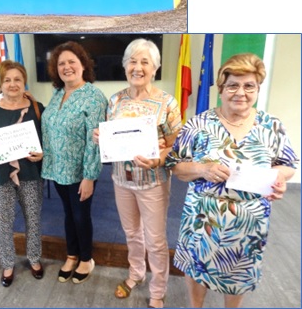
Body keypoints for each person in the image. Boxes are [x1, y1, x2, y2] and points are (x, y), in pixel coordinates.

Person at [166, 53, 298, 308]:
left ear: (258, 88)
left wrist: (279, 179)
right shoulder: (199, 124)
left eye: (249, 85)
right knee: (197, 268)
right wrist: (202, 169)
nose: (241, 92)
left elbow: (288, 165)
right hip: (202, 219)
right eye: (233, 85)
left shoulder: (272, 126)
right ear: (221, 88)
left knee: (239, 273)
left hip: (249, 222)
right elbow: (174, 166)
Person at [95, 38, 181, 309]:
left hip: (153, 183)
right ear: (124, 66)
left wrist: (158, 160)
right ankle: (136, 273)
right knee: (131, 232)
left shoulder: (167, 103)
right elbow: (111, 137)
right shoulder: (115, 100)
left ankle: (158, 289)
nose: (138, 67)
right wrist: (101, 138)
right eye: (133, 61)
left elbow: (177, 146)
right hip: (121, 181)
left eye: (145, 62)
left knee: (156, 239)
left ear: (155, 68)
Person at [41, 41, 108, 285]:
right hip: (58, 168)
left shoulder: (93, 96)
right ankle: (71, 254)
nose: (66, 67)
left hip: (81, 171)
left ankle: (86, 259)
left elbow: (96, 140)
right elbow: (49, 129)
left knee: (81, 216)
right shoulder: (57, 93)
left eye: (72, 62)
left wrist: (89, 176)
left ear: (83, 65)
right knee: (68, 214)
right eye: (61, 63)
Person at [0, 60, 45, 287]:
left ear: (24, 82)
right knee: (3, 222)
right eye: (7, 80)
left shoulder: (38, 109)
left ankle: (34, 258)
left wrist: (42, 153)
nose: (13, 84)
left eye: (17, 79)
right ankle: (7, 263)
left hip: (30, 172)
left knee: (33, 219)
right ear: (0, 84)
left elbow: (46, 141)